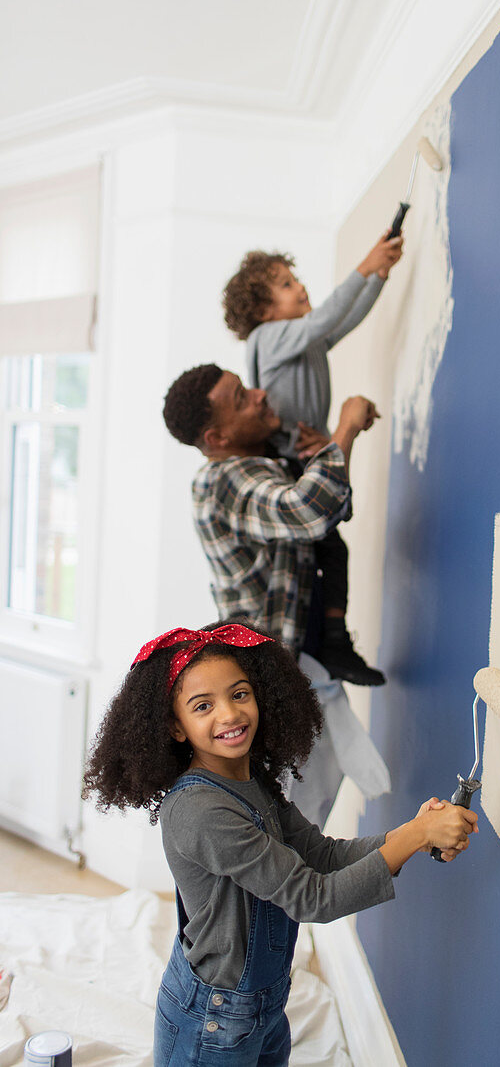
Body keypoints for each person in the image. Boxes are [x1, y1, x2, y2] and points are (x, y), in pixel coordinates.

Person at [83, 623, 478, 1067]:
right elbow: (313, 898)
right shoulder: (199, 811)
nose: (229, 715)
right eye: (202, 706)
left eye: (239, 694)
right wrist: (413, 837)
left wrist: (414, 834)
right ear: (176, 727)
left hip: (265, 1006)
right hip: (215, 1020)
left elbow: (324, 856)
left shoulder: (255, 784)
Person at [162, 366, 389, 825]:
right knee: (286, 829)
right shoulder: (221, 480)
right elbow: (309, 511)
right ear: (218, 436)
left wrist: (319, 452)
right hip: (269, 682)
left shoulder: (259, 465)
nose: (261, 395)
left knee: (310, 813)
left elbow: (331, 509)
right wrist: (345, 428)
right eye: (242, 398)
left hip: (298, 670)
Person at [221, 233, 403, 686]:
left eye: (294, 279)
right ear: (262, 312)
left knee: (331, 548)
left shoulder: (303, 337)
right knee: (323, 547)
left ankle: (334, 639)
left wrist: (378, 276)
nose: (299, 287)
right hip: (286, 460)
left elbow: (342, 321)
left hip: (304, 451)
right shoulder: (269, 338)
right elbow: (325, 319)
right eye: (285, 284)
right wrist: (365, 264)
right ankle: (329, 642)